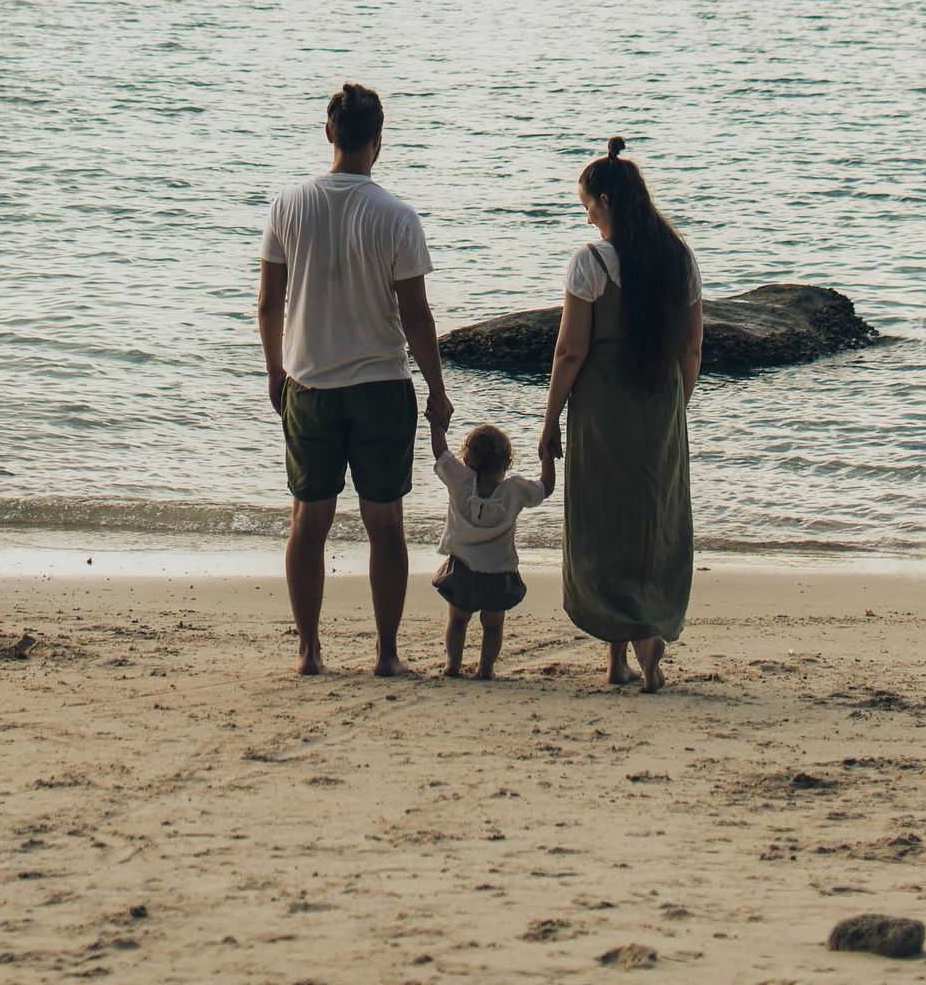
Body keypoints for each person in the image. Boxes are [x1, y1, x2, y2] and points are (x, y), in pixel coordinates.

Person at [257, 82, 452, 677]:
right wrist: (438, 390)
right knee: (385, 521)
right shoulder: (396, 215)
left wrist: (275, 370)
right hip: (379, 385)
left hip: (310, 383)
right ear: (377, 140)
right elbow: (416, 316)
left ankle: (309, 650)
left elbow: (270, 301)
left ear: (329, 134)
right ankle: (387, 653)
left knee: (308, 519)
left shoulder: (289, 204)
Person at [537, 136, 703, 691]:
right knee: (654, 521)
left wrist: (550, 417)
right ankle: (648, 644)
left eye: (587, 203)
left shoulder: (590, 264)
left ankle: (615, 659)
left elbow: (571, 349)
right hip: (660, 401)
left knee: (604, 523)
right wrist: (678, 402)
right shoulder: (679, 258)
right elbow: (692, 350)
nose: (585, 215)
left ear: (605, 199)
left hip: (602, 407)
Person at [428, 416, 548, 680]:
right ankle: (486, 668)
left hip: (462, 569)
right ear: (506, 462)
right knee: (493, 625)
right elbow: (545, 488)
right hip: (498, 572)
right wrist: (547, 454)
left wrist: (435, 420)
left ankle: (452, 664)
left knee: (458, 620)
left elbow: (440, 453)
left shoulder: (460, 481)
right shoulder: (514, 489)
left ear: (468, 459)